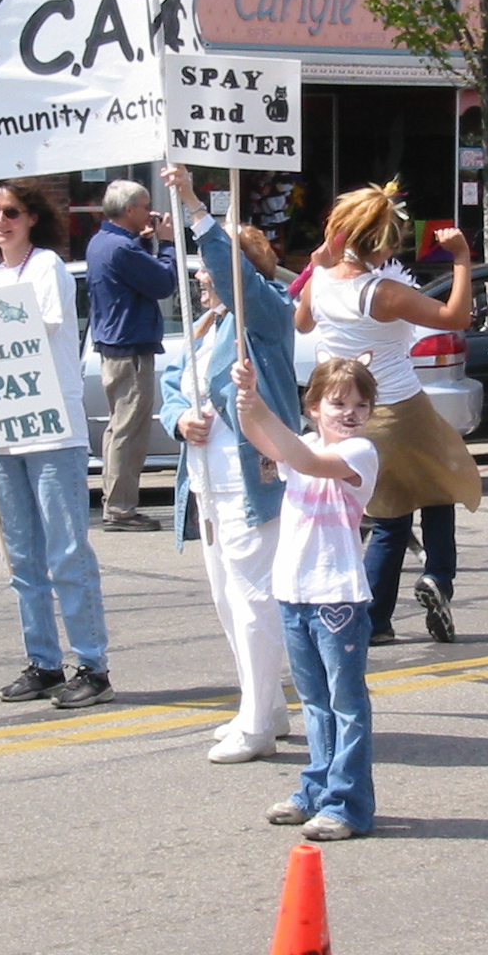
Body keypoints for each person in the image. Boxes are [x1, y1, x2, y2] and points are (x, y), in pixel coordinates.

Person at [0, 183, 113, 708]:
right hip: (2, 435)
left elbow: (36, 326)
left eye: (10, 212)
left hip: (52, 431)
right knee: (22, 559)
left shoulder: (47, 269)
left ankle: (93, 667)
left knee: (66, 552)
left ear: (33, 218)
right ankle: (43, 661)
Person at [296, 184, 481, 645]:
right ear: (384, 243)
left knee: (389, 516)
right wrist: (461, 258)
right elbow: (456, 316)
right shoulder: (383, 291)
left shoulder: (321, 281)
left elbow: (301, 323)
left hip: (346, 412)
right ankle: (438, 575)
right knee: (442, 485)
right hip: (399, 405)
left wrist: (317, 262)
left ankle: (376, 621)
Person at [158, 164, 294, 764]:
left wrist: (192, 208)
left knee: (253, 600)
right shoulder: (206, 325)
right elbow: (171, 386)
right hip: (205, 484)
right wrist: (177, 421)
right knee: (224, 596)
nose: (200, 276)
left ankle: (259, 722)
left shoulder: (263, 316)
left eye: (208, 266)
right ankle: (263, 706)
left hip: (251, 480)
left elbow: (229, 266)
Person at [234, 354, 381, 842]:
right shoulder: (305, 442)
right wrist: (247, 402)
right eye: (337, 403)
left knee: (346, 703)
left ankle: (348, 804)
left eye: (360, 405)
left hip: (337, 596)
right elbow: (265, 441)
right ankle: (316, 790)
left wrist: (259, 407)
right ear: (313, 407)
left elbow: (305, 461)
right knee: (315, 703)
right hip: (293, 591)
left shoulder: (359, 453)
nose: (349, 413)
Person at [86, 179, 177, 532]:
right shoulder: (121, 249)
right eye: (145, 206)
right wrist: (166, 243)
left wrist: (145, 240)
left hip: (115, 346)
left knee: (118, 428)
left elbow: (134, 271)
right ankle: (121, 509)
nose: (150, 212)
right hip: (131, 348)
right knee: (129, 431)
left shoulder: (103, 243)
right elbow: (163, 283)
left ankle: (116, 502)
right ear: (129, 210)